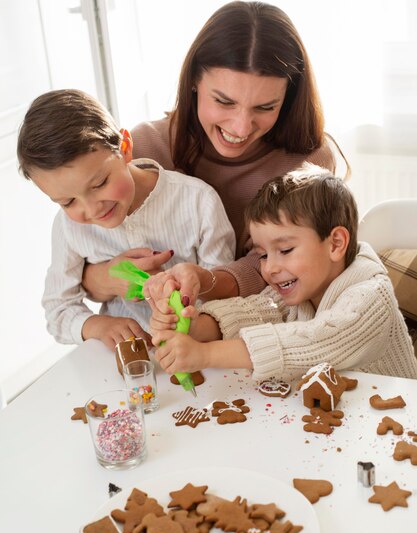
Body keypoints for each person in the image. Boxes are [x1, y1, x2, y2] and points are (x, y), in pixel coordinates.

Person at [83, 0, 349, 306]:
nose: (241, 126)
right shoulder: (143, 148)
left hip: (255, 322)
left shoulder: (307, 161)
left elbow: (275, 267)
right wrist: (104, 277)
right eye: (224, 101)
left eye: (265, 107)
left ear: (287, 98)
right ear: (195, 80)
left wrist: (201, 281)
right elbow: (82, 257)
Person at [150, 166, 417, 381]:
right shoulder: (302, 288)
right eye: (263, 254)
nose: (270, 267)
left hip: (395, 425)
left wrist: (204, 354)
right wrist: (193, 328)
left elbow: (313, 342)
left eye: (285, 250)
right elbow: (254, 311)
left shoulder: (371, 298)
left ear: (335, 243)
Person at [16, 89, 235, 350]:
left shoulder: (198, 201)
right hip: (121, 367)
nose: (92, 209)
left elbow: (225, 296)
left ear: (125, 148)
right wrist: (98, 326)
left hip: (198, 351)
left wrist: (185, 312)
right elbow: (58, 308)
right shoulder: (68, 226)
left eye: (99, 183)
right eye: (68, 202)